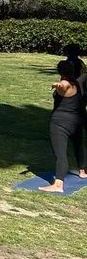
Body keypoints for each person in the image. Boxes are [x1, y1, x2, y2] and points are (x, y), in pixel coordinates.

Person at [39, 59, 86, 193]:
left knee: (61, 154)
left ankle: (58, 184)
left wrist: (57, 85)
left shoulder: (65, 84)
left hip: (60, 124)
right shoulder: (78, 82)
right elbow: (84, 76)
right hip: (76, 122)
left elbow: (63, 86)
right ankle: (82, 171)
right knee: (78, 145)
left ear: (59, 72)